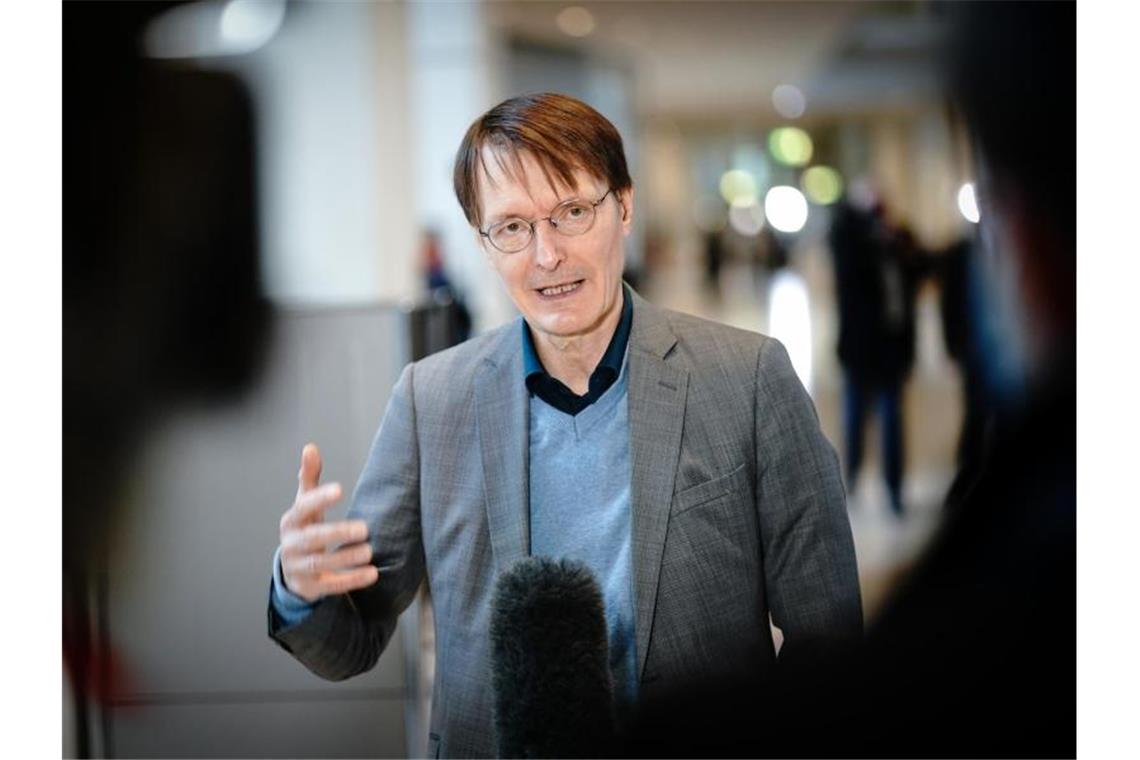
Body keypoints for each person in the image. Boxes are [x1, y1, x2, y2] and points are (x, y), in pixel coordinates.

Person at [266, 92, 862, 756]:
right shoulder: (431, 400)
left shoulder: (746, 379)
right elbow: (351, 643)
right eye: (513, 227)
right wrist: (300, 588)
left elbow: (827, 633)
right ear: (484, 244)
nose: (546, 255)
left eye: (572, 213)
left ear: (624, 207)